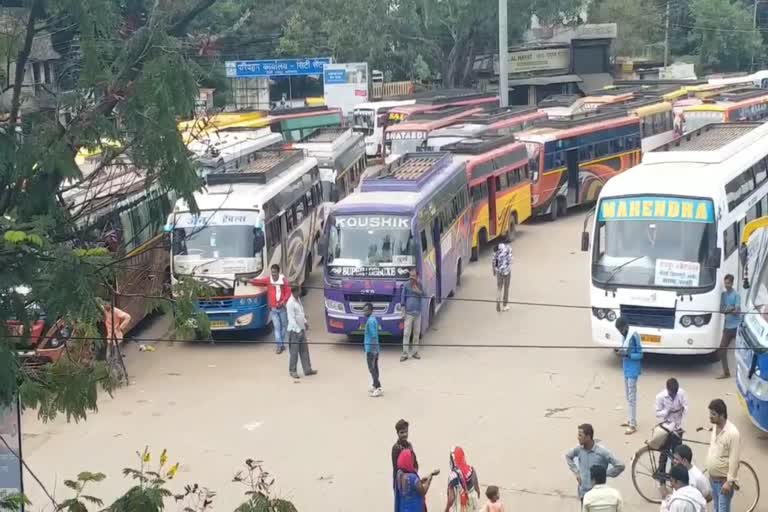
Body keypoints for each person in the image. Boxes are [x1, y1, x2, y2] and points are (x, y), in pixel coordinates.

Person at [565, 424, 625, 502]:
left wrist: (604, 474)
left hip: (598, 495)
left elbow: (620, 466)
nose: (578, 438)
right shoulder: (578, 449)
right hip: (583, 493)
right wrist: (576, 472)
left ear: (588, 437)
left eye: (580, 435)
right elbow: (568, 456)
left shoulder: (602, 452)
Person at [245, 264, 291, 354]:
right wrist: (247, 280)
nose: (273, 274)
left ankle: (281, 344)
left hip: (282, 308)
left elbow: (288, 292)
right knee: (277, 328)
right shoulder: (268, 280)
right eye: (272, 272)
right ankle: (279, 345)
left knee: (284, 326)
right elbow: (258, 282)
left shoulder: (283, 281)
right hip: (273, 309)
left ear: (278, 272)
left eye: (275, 273)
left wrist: (283, 301)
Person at [706, 399, 741, 512]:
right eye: (710, 413)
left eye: (713, 414)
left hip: (723, 483)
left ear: (722, 415)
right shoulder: (716, 426)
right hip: (713, 480)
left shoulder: (733, 434)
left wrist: (729, 482)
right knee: (716, 508)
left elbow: (734, 460)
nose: (710, 416)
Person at [655, 378, 689, 475]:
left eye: (675, 393)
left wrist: (683, 408)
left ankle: (674, 476)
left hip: (678, 427)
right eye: (671, 393)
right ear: (667, 389)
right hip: (666, 428)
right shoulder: (660, 397)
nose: (673, 395)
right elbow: (657, 413)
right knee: (664, 453)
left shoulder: (681, 393)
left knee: (677, 454)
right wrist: (666, 411)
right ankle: (661, 478)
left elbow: (686, 406)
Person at [615, 316, 643, 435]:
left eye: (621, 329)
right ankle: (631, 418)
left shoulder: (634, 336)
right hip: (626, 369)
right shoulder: (624, 336)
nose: (621, 332)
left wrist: (628, 356)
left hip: (633, 370)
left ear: (626, 326)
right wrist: (620, 352)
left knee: (631, 397)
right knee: (628, 396)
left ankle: (632, 424)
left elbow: (640, 354)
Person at [285, 286, 316, 379]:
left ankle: (307, 369)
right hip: (294, 331)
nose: (301, 291)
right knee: (294, 352)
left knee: (304, 350)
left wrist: (305, 322)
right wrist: (298, 330)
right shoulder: (290, 303)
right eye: (299, 290)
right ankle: (292, 371)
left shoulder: (298, 299)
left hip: (301, 329)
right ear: (295, 291)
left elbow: (301, 313)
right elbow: (291, 319)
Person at [392, 419, 418, 511]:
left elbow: (414, 462)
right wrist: (397, 486)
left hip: (412, 478)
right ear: (397, 433)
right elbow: (396, 468)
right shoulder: (396, 448)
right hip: (401, 481)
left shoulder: (409, 445)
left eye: (406, 432)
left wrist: (415, 476)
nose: (404, 435)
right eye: (401, 432)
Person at [718, 274, 741, 378]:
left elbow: (737, 311)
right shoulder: (723, 295)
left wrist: (729, 310)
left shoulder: (736, 295)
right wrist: (731, 309)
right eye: (725, 283)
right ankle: (726, 372)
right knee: (722, 349)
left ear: (732, 283)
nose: (726, 285)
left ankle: (743, 373)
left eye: (728, 283)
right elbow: (721, 309)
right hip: (727, 326)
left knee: (742, 350)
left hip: (736, 327)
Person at [446, 446, 480, 512]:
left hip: (460, 504)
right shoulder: (471, 469)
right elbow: (477, 489)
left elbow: (451, 499)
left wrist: (446, 509)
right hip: (472, 501)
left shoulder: (453, 476)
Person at [400, 269, 424, 361]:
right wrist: (402, 311)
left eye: (413, 276)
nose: (412, 278)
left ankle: (415, 352)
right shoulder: (406, 285)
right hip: (408, 314)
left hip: (418, 313)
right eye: (410, 276)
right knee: (406, 333)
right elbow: (402, 299)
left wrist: (418, 291)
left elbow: (425, 295)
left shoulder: (420, 285)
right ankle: (405, 353)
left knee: (416, 333)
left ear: (417, 277)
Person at [363, 303, 382, 397]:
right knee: (375, 368)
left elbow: (374, 336)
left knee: (372, 369)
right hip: (374, 349)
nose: (364, 312)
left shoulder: (370, 321)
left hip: (371, 350)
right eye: (363, 310)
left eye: (366, 310)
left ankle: (378, 387)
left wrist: (374, 351)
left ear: (371, 311)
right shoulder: (373, 319)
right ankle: (375, 385)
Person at [492, 237, 513, 312]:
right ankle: (505, 305)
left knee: (499, 287)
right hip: (507, 271)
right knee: (506, 288)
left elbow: (494, 261)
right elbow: (510, 260)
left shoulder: (496, 249)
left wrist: (494, 270)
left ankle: (498, 301)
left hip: (499, 271)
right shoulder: (508, 248)